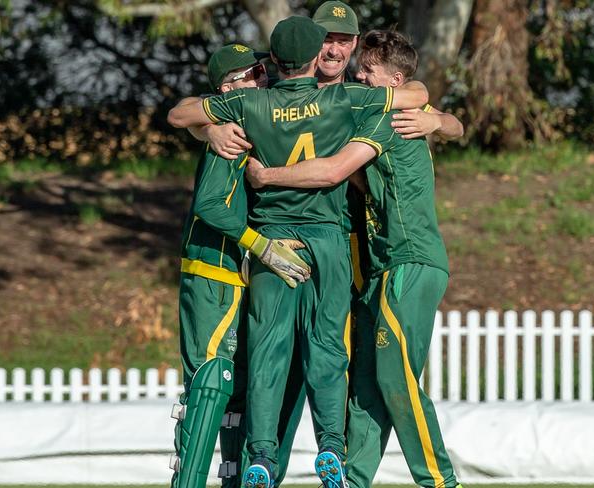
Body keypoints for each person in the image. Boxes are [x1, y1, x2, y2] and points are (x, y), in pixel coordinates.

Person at [168, 15, 429, 488]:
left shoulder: (248, 103)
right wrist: (436, 118)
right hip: (328, 239)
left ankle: (262, 457)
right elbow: (415, 95)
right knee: (328, 347)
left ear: (273, 60)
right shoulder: (343, 97)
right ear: (314, 58)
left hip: (273, 239)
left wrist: (210, 128)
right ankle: (331, 444)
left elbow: (180, 114)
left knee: (268, 352)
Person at [245, 29, 464, 488]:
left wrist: (268, 176)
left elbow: (333, 171)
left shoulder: (390, 113)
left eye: (369, 70)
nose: (359, 74)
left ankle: (441, 481)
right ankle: (352, 479)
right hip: (381, 268)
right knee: (366, 383)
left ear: (395, 80)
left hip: (412, 262)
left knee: (397, 378)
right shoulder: (375, 108)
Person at [167, 43, 310, 488]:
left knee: (242, 394)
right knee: (212, 383)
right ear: (229, 88)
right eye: (254, 74)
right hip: (214, 272)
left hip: (239, 274)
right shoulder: (228, 131)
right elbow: (211, 205)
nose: (264, 79)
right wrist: (262, 246)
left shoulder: (252, 123)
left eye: (264, 71)